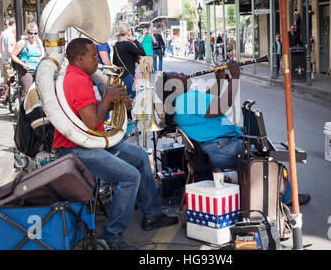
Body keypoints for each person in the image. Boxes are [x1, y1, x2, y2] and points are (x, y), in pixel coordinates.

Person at [53, 38, 178, 250]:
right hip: (77, 149)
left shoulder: (80, 76)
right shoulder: (77, 80)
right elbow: (92, 121)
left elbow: (90, 115)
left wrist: (112, 102)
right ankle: (111, 239)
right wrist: (109, 97)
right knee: (130, 176)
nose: (97, 60)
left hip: (90, 141)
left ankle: (153, 215)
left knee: (139, 157)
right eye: (93, 56)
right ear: (79, 58)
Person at [157, 63, 311, 207]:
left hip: (215, 150)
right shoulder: (187, 99)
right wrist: (235, 77)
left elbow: (209, 99)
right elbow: (221, 106)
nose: (182, 73)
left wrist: (220, 82)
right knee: (269, 158)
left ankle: (277, 194)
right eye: (177, 74)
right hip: (223, 149)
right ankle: (289, 198)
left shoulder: (181, 102)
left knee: (259, 145)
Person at [11, 23, 44, 102]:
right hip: (26, 70)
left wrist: (40, 60)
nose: (33, 35)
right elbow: (13, 55)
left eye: (35, 33)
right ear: (26, 33)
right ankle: (23, 113)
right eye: (31, 33)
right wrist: (22, 64)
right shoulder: (22, 43)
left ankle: (36, 112)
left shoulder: (38, 42)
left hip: (37, 69)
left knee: (38, 92)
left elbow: (42, 53)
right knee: (26, 92)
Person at [113, 22, 146, 100]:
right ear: (128, 32)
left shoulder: (116, 45)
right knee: (129, 100)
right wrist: (135, 40)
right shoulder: (128, 44)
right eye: (130, 30)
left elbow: (115, 62)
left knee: (123, 100)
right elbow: (142, 52)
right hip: (128, 76)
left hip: (120, 76)